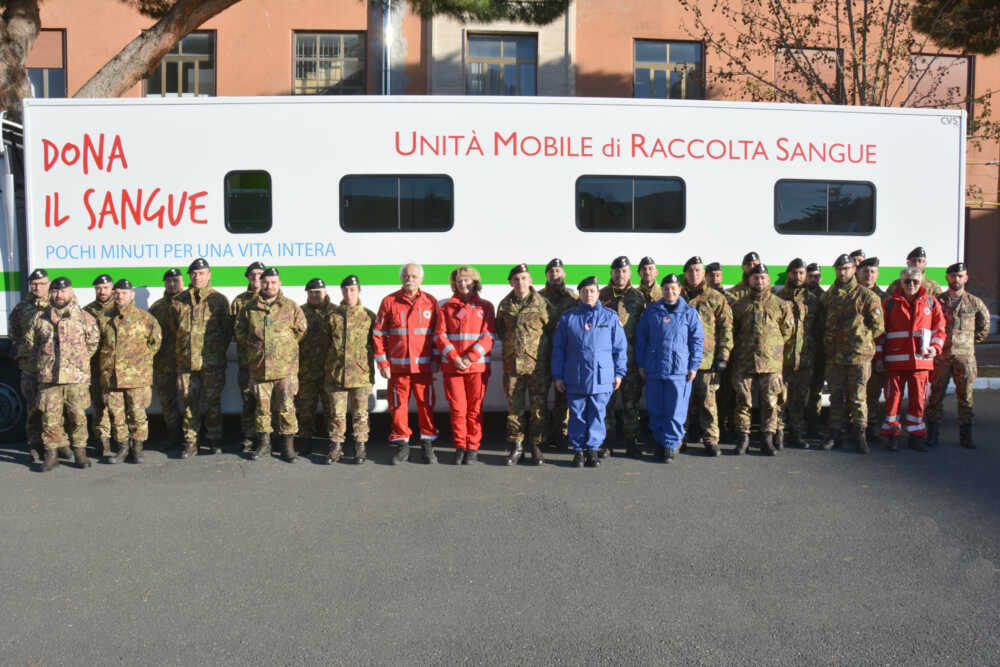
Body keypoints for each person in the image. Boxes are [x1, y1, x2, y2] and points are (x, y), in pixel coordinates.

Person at [551, 276, 627, 468]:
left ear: (598, 293)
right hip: (575, 374)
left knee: (597, 413)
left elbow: (620, 348)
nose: (588, 294)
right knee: (577, 414)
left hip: (601, 376)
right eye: (584, 291)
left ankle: (592, 450)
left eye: (592, 291)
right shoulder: (568, 318)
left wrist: (619, 373)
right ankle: (578, 451)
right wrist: (558, 375)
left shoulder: (610, 317)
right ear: (579, 294)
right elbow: (558, 349)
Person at [25, 277, 99, 471]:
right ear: (51, 293)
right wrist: (45, 362)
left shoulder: (84, 317)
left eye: (63, 291)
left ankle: (80, 452)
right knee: (50, 418)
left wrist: (77, 363)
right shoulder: (40, 318)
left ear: (71, 292)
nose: (59, 295)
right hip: (49, 378)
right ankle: (52, 454)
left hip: (76, 378)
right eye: (56, 291)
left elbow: (92, 343)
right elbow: (31, 343)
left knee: (78, 417)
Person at [235, 267, 307, 462]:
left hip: (285, 369)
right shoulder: (249, 308)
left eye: (274, 282)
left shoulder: (291, 307)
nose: (269, 286)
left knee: (286, 408)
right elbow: (240, 332)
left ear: (279, 283)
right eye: (266, 282)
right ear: (261, 283)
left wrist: (284, 348)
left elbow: (301, 331)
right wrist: (255, 347)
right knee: (262, 409)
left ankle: (287, 447)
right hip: (260, 368)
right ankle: (264, 444)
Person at [374, 262, 441, 464]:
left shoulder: (430, 302)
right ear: (401, 278)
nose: (409, 279)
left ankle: (427, 444)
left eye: (414, 276)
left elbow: (438, 334)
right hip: (398, 369)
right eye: (406, 276)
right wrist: (383, 364)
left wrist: (436, 359)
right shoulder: (389, 301)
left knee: (426, 406)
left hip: (423, 368)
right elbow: (378, 334)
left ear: (421, 279)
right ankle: (402, 445)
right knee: (398, 407)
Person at [876, 267, 946, 452]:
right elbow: (880, 333)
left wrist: (935, 348)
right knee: (892, 401)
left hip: (920, 362)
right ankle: (892, 436)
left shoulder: (931, 303)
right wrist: (879, 357)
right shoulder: (890, 303)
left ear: (921, 281)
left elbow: (940, 329)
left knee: (918, 402)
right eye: (907, 281)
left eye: (915, 281)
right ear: (901, 282)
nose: (911, 284)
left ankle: (916, 437)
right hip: (895, 362)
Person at [820, 254, 885, 453]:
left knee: (858, 398)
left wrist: (861, 339)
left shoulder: (867, 296)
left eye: (846, 268)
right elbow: (822, 321)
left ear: (853, 270)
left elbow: (878, 327)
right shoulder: (829, 296)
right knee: (836, 397)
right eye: (839, 269)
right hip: (835, 356)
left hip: (858, 356)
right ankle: (835, 434)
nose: (842, 272)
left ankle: (860, 435)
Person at [636, 274, 703, 462]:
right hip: (654, 367)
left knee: (675, 410)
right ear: (661, 290)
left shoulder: (689, 313)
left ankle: (670, 445)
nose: (670, 292)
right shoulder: (651, 311)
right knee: (656, 408)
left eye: (673, 288)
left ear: (679, 290)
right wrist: (641, 364)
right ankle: (659, 441)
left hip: (679, 369)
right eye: (666, 289)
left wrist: (694, 366)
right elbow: (641, 339)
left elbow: (697, 341)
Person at [169, 258, 231, 458]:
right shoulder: (179, 300)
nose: (197, 277)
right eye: (194, 273)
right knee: (189, 404)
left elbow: (227, 331)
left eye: (201, 273)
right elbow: (175, 328)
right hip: (186, 363)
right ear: (189, 276)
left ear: (209, 275)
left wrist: (214, 352)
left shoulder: (219, 300)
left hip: (211, 363)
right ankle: (190, 442)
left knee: (213, 403)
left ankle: (215, 439)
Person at [926, 262, 991, 448]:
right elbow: (928, 324)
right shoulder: (937, 301)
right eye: (953, 276)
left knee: (966, 397)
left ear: (966, 278)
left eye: (960, 276)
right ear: (947, 277)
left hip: (965, 358)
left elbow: (984, 327)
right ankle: (932, 434)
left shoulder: (974, 302)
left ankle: (966, 436)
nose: (957, 279)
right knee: (935, 396)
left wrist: (968, 342)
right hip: (941, 357)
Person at [435, 266, 496, 464]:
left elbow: (488, 336)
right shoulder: (446, 308)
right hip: (453, 367)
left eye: (467, 279)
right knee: (457, 409)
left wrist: (470, 357)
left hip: (476, 367)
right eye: (459, 280)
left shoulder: (486, 307)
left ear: (474, 281)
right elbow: (440, 336)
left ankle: (473, 448)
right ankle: (460, 446)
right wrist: (454, 357)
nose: (463, 283)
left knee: (474, 410)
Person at [730, 264, 793, 455]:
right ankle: (743, 439)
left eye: (763, 278)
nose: (759, 281)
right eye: (755, 278)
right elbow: (732, 331)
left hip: (771, 363)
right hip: (744, 361)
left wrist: (771, 348)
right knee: (743, 402)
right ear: (749, 280)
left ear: (768, 280)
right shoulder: (739, 305)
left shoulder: (780, 304)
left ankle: (767, 439)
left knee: (771, 403)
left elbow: (787, 332)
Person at [98, 279, 162, 464]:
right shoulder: (104, 318)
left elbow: (155, 342)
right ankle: (122, 448)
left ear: (132, 295)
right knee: (116, 415)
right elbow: (97, 343)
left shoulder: (145, 318)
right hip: (112, 377)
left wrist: (140, 361)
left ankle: (137, 448)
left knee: (137, 414)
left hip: (136, 376)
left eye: (124, 293)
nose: (120, 296)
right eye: (117, 293)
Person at [496, 263, 553, 465]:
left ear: (530, 281)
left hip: (537, 365)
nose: (520, 282)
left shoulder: (542, 303)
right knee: (514, 409)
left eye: (523, 278)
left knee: (539, 408)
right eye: (516, 279)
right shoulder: (504, 305)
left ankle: (536, 445)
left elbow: (551, 330)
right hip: (512, 365)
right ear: (511, 282)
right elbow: (501, 331)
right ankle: (517, 446)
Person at [681, 256, 733, 456]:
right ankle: (680, 437)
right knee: (681, 401)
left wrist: (723, 356)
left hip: (706, 360)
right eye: (690, 271)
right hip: (680, 360)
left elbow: (726, 328)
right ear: (685, 273)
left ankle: (711, 439)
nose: (694, 274)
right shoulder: (677, 295)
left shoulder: (715, 297)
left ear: (704, 273)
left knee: (707, 402)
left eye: (698, 270)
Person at [323, 275, 376, 464]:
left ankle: (360, 448)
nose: (349, 293)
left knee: (360, 414)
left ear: (359, 291)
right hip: (336, 374)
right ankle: (336, 447)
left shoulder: (369, 316)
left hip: (361, 374)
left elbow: (375, 345)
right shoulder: (332, 317)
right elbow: (325, 345)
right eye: (345, 290)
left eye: (352, 290)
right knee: (336, 414)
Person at [598, 256, 646, 457]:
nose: (620, 274)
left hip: (631, 359)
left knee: (631, 403)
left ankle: (630, 440)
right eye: (617, 271)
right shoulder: (601, 295)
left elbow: (644, 329)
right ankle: (606, 441)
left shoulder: (638, 297)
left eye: (624, 271)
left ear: (630, 273)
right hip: (607, 359)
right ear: (611, 273)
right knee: (607, 402)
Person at [776, 258, 822, 448]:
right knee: (779, 399)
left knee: (799, 399)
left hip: (805, 358)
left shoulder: (813, 300)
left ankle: (796, 433)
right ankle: (778, 433)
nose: (798, 276)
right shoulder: (778, 298)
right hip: (782, 358)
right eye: (794, 273)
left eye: (801, 273)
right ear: (788, 274)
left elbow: (819, 329)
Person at [8, 268, 49, 463]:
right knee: (33, 409)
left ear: (48, 284)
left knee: (53, 408)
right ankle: (35, 445)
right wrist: (23, 351)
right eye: (34, 284)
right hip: (30, 368)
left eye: (41, 284)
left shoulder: (57, 305)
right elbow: (14, 333)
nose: (37, 287)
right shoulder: (21, 308)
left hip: (52, 368)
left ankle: (54, 446)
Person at [539, 258, 578, 450]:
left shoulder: (573, 298)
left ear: (563, 274)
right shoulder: (537, 298)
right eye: (551, 272)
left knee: (563, 397)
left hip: (565, 354)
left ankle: (561, 433)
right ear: (546, 275)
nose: (555, 275)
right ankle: (542, 435)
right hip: (542, 355)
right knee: (540, 397)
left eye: (558, 271)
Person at [295, 277, 335, 454]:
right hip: (306, 371)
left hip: (329, 371)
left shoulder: (335, 312)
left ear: (325, 292)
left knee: (332, 409)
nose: (315, 295)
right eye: (311, 293)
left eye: (318, 292)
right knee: (305, 409)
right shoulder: (300, 312)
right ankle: (305, 440)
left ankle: (333, 442)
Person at [230, 261, 266, 452]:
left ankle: (267, 437)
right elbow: (233, 330)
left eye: (260, 274)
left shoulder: (274, 300)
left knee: (268, 402)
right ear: (248, 277)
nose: (256, 277)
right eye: (252, 274)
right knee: (248, 400)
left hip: (269, 363)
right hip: (247, 362)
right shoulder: (239, 302)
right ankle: (249, 436)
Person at [149, 268, 184, 448]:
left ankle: (191, 436)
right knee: (167, 400)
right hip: (164, 362)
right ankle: (173, 433)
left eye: (175, 280)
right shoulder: (157, 307)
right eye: (168, 281)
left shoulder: (190, 303)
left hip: (187, 362)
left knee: (191, 399)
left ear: (182, 282)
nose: (171, 284)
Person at [84, 273, 115, 460]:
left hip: (117, 368)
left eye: (105, 288)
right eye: (98, 288)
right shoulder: (87, 312)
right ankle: (103, 442)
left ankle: (122, 441)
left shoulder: (120, 308)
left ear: (112, 288)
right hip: (96, 367)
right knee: (99, 405)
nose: (102, 291)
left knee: (119, 406)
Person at [857, 257, 887, 444]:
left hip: (876, 353)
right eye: (865, 271)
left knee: (873, 393)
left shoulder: (885, 298)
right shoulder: (852, 294)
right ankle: (855, 428)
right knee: (854, 393)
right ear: (858, 273)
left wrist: (881, 355)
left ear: (877, 274)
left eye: (872, 271)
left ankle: (872, 427)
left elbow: (885, 329)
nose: (869, 275)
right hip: (856, 353)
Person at [805, 262, 826, 435]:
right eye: (811, 276)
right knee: (797, 390)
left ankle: (813, 424)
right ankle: (796, 424)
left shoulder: (825, 297)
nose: (814, 279)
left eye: (817, 276)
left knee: (816, 391)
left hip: (819, 350)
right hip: (802, 350)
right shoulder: (800, 295)